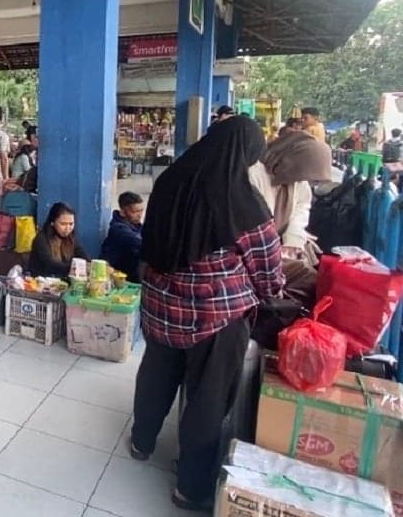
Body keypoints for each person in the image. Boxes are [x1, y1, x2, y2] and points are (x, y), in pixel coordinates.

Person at [131, 116, 284, 512]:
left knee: (155, 376)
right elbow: (267, 271)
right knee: (207, 400)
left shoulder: (167, 183)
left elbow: (148, 245)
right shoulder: (244, 202)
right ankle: (190, 486)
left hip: (161, 310)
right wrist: (268, 294)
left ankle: (141, 441)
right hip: (214, 322)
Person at [249, 130, 331, 302]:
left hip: (278, 247)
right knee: (308, 279)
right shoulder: (254, 174)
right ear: (292, 161)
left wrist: (293, 241)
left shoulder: (298, 182)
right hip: (257, 252)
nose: (307, 180)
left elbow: (302, 207)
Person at [28, 202, 88, 278]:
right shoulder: (41, 239)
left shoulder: (71, 238)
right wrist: (73, 269)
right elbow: (50, 263)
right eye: (63, 224)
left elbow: (81, 254)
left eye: (71, 224)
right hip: (42, 282)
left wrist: (90, 265)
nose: (68, 228)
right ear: (52, 223)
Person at [100, 192, 145, 283]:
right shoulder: (118, 229)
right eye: (135, 212)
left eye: (141, 211)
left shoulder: (136, 226)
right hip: (118, 277)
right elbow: (140, 243)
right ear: (123, 212)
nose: (139, 215)